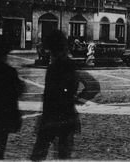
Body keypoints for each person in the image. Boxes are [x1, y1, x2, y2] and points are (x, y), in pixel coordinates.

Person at [31, 30, 94, 160]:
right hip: (67, 115)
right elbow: (93, 86)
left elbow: (50, 94)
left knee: (39, 154)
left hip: (50, 116)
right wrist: (76, 99)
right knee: (63, 155)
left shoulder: (55, 67)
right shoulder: (69, 65)